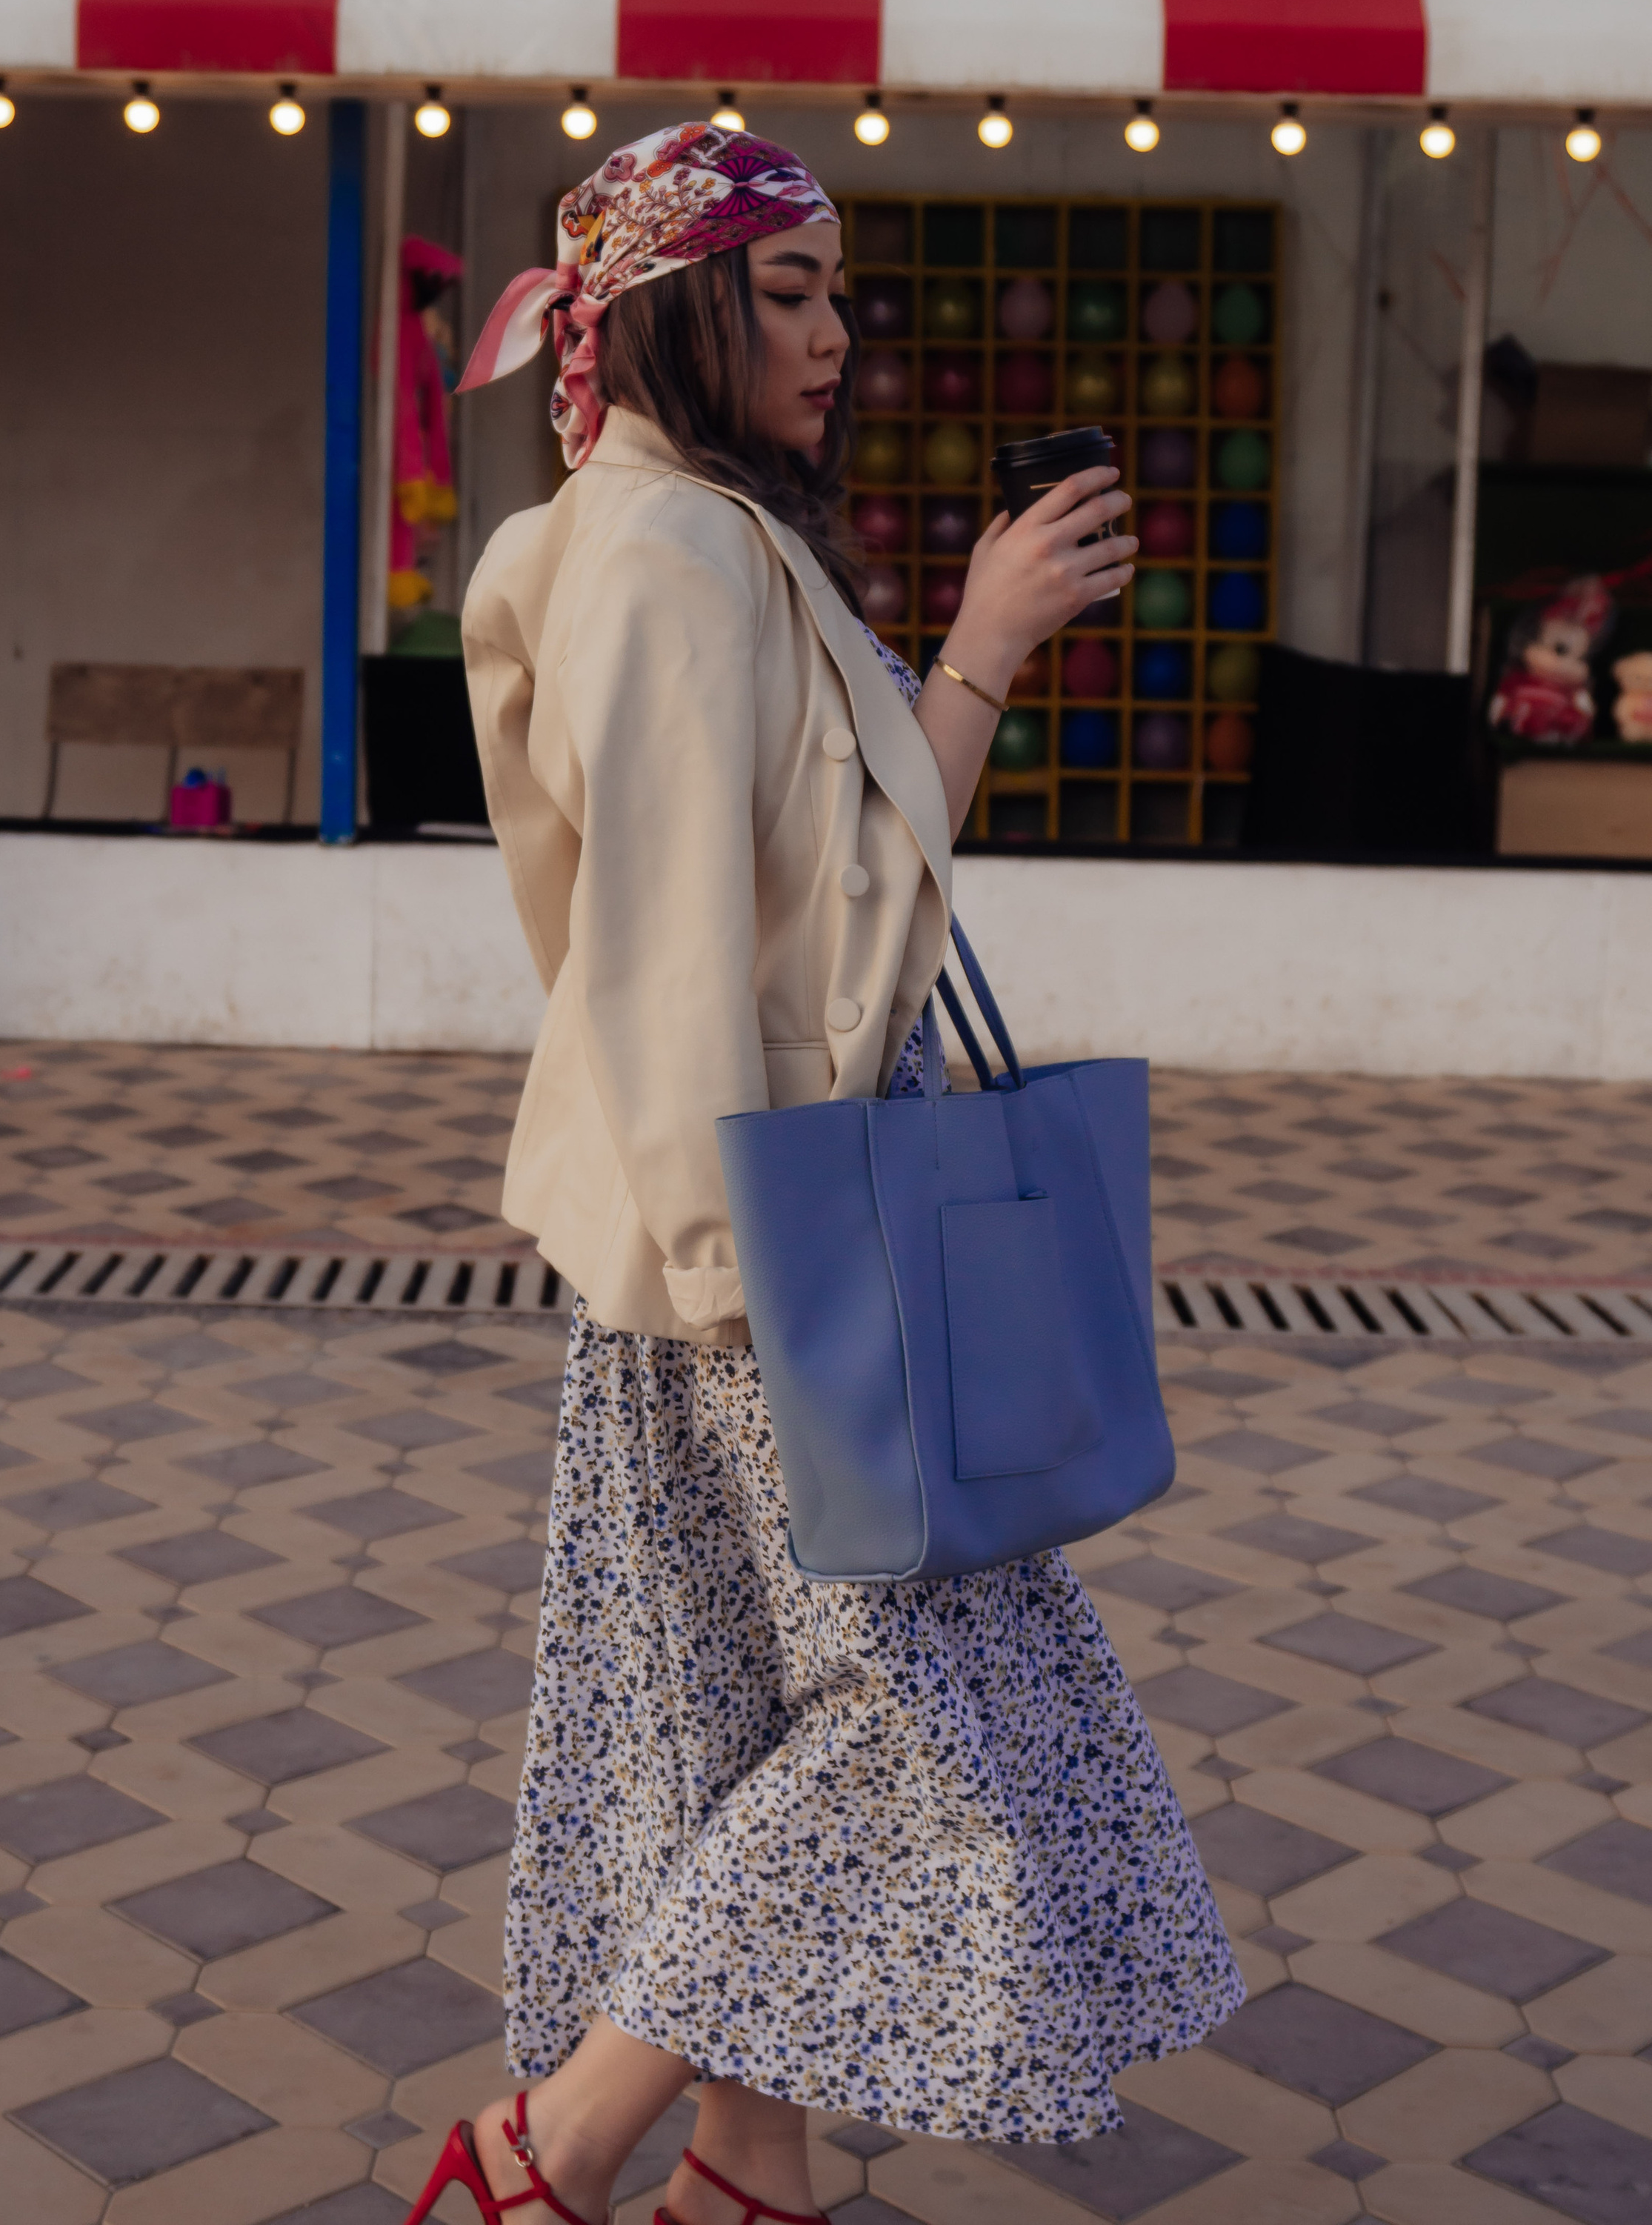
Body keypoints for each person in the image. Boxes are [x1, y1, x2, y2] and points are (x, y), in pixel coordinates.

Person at [414, 123, 1242, 2225]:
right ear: (680, 310)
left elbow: (855, 886)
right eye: (790, 293)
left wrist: (978, 652)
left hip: (763, 1238)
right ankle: (559, 2143)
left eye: (840, 292)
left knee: (733, 1718)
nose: (839, 333)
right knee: (932, 1730)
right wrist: (735, 1287)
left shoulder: (714, 536)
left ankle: (741, 2181)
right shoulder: (671, 559)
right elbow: (677, 956)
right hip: (760, 1267)